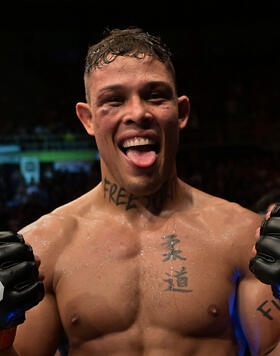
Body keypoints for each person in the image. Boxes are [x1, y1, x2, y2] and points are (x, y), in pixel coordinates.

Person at [0, 27, 280, 356]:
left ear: (182, 112)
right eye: (114, 100)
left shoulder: (241, 236)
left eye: (155, 95)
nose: (137, 113)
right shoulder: (44, 247)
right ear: (87, 119)